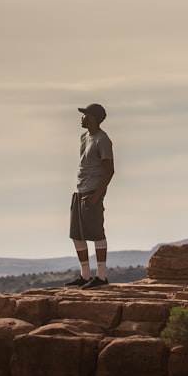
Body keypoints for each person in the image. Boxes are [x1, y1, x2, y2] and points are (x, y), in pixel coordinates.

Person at [65, 102, 114, 288]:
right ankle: (85, 276)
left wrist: (97, 196)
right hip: (80, 190)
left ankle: (101, 277)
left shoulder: (103, 140)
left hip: (93, 191)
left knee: (96, 233)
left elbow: (109, 170)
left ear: (93, 118)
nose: (82, 117)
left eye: (85, 115)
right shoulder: (84, 137)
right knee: (77, 234)